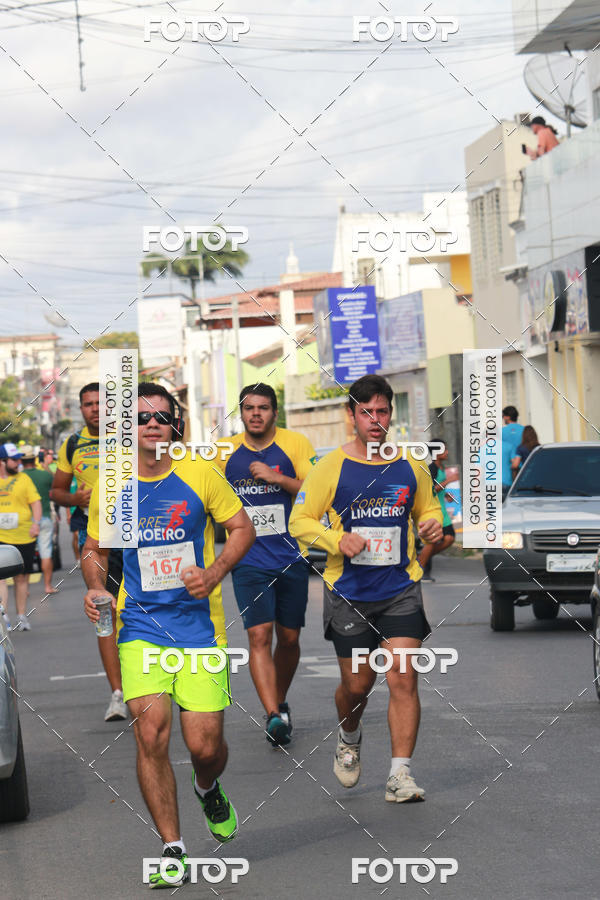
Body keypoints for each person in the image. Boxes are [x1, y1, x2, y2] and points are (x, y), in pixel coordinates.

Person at [82, 382, 255, 888]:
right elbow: (95, 549)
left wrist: (216, 570)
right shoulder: (114, 487)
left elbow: (241, 528)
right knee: (150, 731)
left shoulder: (201, 474)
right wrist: (96, 587)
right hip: (139, 627)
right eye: (142, 418)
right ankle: (172, 848)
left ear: (175, 424)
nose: (152, 424)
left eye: (161, 416)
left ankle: (208, 787)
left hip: (200, 630)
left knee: (205, 746)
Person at [289, 374, 443, 804]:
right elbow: (298, 522)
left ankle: (400, 775)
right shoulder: (331, 467)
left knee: (403, 676)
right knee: (357, 686)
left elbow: (429, 510)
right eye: (366, 412)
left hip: (400, 587)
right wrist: (337, 540)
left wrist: (433, 523)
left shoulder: (410, 464)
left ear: (391, 413)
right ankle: (349, 734)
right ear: (351, 416)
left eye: (382, 411)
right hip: (349, 592)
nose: (375, 420)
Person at [216, 383, 316, 747]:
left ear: (275, 412)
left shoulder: (295, 444)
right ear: (240, 413)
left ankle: (279, 698)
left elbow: (317, 489)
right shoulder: (224, 451)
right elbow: (205, 492)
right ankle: (273, 714)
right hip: (248, 559)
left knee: (289, 639)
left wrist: (279, 478)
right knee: (259, 636)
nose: (255, 414)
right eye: (248, 408)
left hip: (291, 556)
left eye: (262, 408)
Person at [51, 383, 127, 722]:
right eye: (88, 404)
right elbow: (56, 491)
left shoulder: (130, 435)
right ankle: (118, 694)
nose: (94, 409)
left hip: (134, 530)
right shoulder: (73, 444)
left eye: (100, 403)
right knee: (104, 610)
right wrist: (76, 499)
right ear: (80, 408)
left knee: (141, 607)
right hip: (95, 537)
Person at [0, 442, 42, 632]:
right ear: (2, 462)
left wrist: (36, 523)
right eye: (14, 459)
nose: (18, 462)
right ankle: (4, 617)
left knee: (22, 578)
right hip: (2, 536)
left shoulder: (24, 478)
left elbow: (36, 503)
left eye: (18, 459)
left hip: (24, 536)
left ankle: (21, 616)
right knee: (0, 578)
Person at [21, 446, 58, 594]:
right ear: (34, 458)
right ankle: (48, 586)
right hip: (45, 517)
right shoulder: (45, 475)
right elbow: (54, 487)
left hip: (25, 522)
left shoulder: (19, 477)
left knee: (25, 555)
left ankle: (25, 589)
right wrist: (44, 465)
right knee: (46, 552)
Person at [418, 440, 456, 582]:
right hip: (432, 511)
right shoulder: (431, 468)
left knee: (449, 538)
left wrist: (447, 495)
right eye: (444, 450)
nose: (447, 452)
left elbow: (438, 491)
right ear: (436, 453)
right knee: (432, 541)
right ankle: (419, 571)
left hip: (442, 510)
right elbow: (430, 489)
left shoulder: (441, 468)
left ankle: (421, 559)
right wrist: (449, 480)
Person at [501, 406, 524, 501]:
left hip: (507, 470)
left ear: (507, 417)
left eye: (503, 416)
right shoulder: (524, 430)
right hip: (523, 467)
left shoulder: (501, 431)